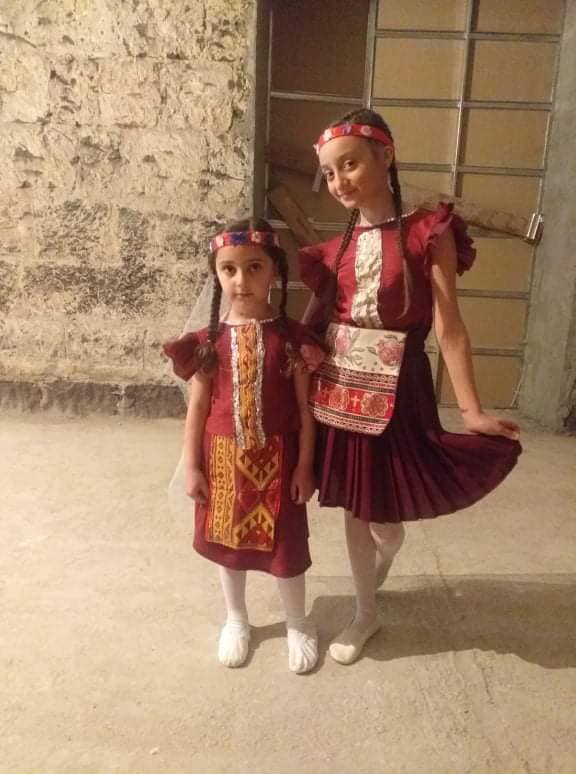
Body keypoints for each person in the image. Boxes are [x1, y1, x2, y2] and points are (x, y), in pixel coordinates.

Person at [299, 109, 522, 666]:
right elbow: (311, 327)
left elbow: (450, 327)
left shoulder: (429, 232)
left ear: (386, 156)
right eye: (329, 173)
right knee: (354, 505)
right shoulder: (333, 250)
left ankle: (385, 558)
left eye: (349, 164)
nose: (339, 181)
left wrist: (471, 410)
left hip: (403, 392)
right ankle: (365, 611)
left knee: (386, 521)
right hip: (342, 390)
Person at [163, 217, 324, 674]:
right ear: (216, 274)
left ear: (275, 271)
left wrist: (305, 465)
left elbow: (305, 408)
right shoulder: (207, 342)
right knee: (227, 545)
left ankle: (297, 622)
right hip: (221, 462)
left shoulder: (292, 340)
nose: (241, 280)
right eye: (229, 269)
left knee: (286, 548)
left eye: (254, 267)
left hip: (281, 461)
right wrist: (192, 466)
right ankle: (236, 618)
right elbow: (197, 408)